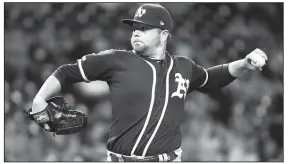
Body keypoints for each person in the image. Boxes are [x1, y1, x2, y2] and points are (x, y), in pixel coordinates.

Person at [30, 3, 268, 162]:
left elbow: (212, 78)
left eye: (144, 28)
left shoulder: (184, 67)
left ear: (164, 35)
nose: (136, 32)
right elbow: (67, 72)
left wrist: (243, 64)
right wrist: (39, 98)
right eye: (135, 27)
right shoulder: (117, 60)